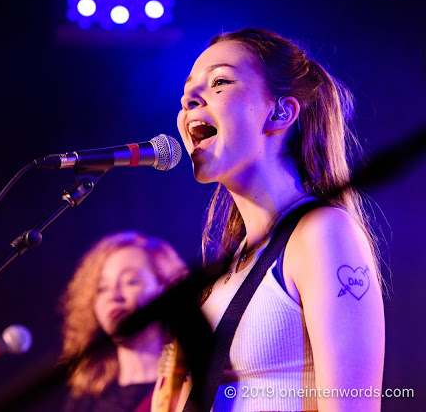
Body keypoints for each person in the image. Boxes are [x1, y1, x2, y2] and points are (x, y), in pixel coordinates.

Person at [164, 28, 385, 411]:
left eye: (219, 81)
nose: (188, 99)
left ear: (280, 112)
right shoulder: (230, 266)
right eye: (187, 92)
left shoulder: (321, 232)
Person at [60, 231, 188, 412]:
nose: (113, 295)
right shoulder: (85, 399)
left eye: (131, 281)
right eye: (102, 288)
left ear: (167, 289)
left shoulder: (189, 385)